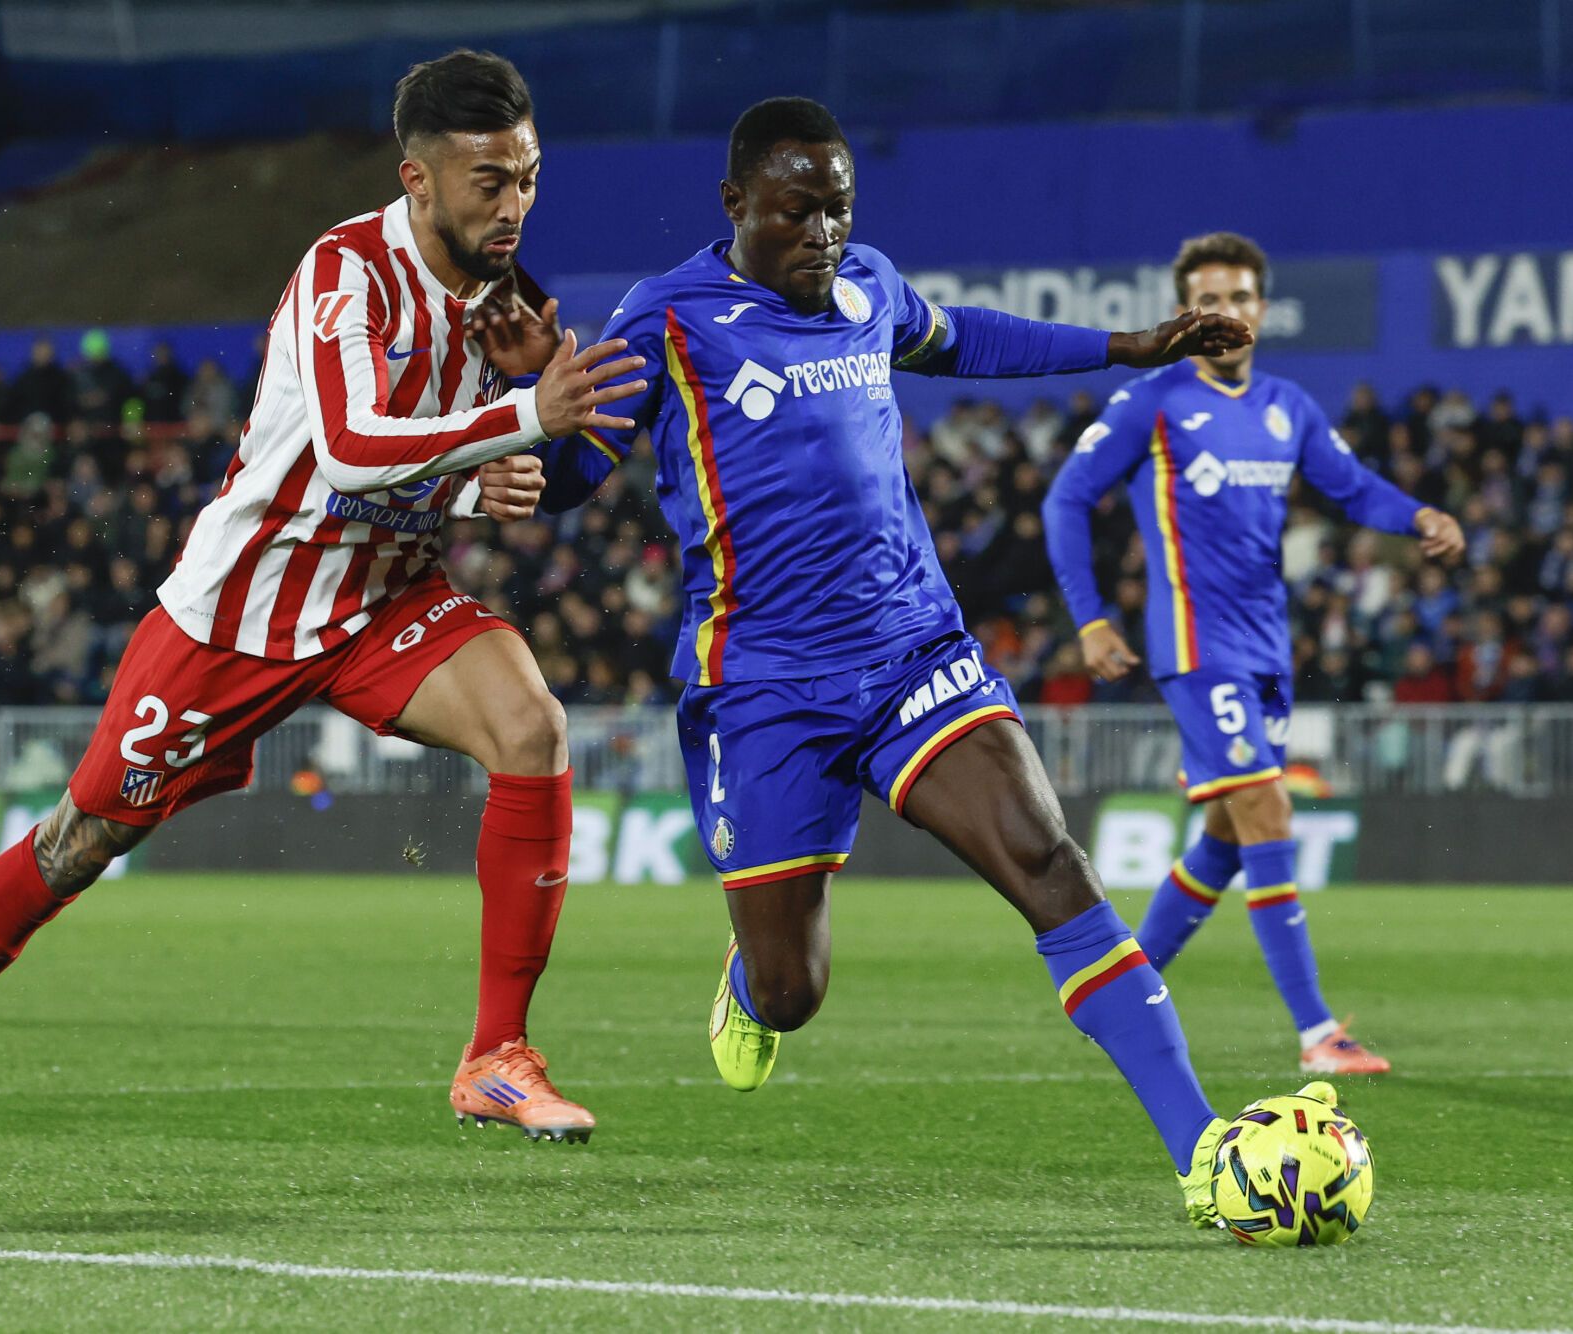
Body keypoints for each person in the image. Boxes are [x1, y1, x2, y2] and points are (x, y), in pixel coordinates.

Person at [0, 49, 649, 1191]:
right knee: (84, 840)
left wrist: (508, 458)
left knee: (531, 726)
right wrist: (520, 414)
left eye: (524, 176)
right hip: (241, 614)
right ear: (416, 178)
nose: (511, 204)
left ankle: (495, 1053)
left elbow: (455, 465)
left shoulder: (502, 304)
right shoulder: (344, 275)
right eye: (486, 181)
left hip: (380, 602)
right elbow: (355, 451)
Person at [530, 96, 1289, 1229]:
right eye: (795, 213)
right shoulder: (667, 317)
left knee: (1048, 859)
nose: (821, 236)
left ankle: (1204, 1154)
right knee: (792, 991)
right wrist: (536, 410)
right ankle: (750, 983)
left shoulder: (867, 288)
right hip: (766, 685)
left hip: (909, 650)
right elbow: (569, 481)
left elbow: (968, 336)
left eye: (837, 210)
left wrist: (1131, 345)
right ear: (735, 205)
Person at [1042, 231, 1464, 1075]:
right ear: (1184, 314)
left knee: (1230, 838)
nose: (1226, 313)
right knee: (1269, 811)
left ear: (1262, 312)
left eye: (1239, 298)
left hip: (1269, 647)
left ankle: (1114, 989)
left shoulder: (1287, 407)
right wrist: (1090, 618)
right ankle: (1317, 1035)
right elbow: (1067, 500)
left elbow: (1352, 488)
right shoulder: (1153, 401)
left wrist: (1419, 515)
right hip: (1198, 649)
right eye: (1209, 300)